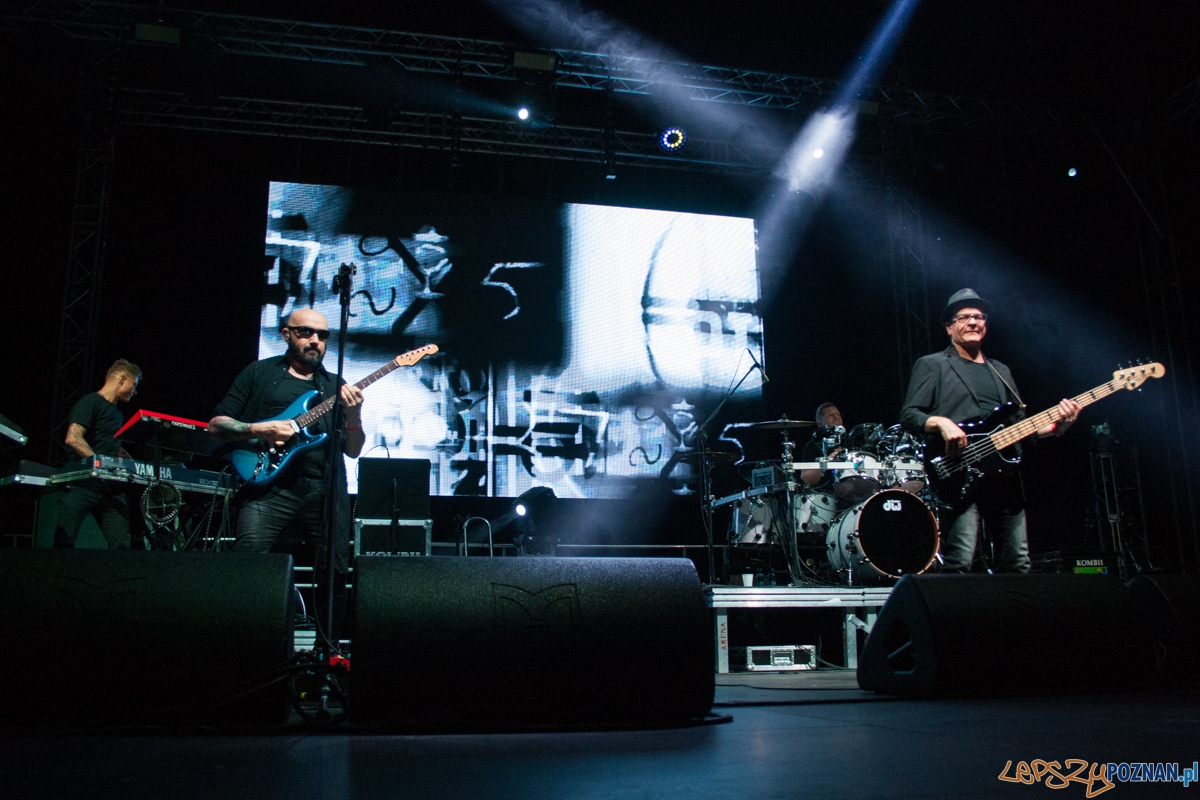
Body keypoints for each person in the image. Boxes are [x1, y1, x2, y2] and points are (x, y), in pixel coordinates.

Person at [208, 309, 365, 645]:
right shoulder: (260, 373)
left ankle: (327, 655)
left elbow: (353, 450)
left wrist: (354, 413)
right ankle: (248, 648)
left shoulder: (333, 385)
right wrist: (257, 428)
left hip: (324, 490)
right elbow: (216, 425)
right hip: (269, 487)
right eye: (307, 332)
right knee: (248, 563)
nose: (316, 341)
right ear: (286, 334)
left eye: (322, 336)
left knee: (334, 573)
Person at [900, 288, 1081, 573]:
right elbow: (910, 415)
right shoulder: (933, 365)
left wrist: (1061, 425)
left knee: (1018, 562)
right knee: (960, 559)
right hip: (960, 471)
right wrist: (943, 423)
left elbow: (1025, 428)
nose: (973, 322)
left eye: (979, 316)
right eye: (965, 317)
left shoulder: (1001, 370)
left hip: (1006, 475)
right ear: (949, 327)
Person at [54, 359, 142, 549]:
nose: (135, 391)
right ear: (122, 379)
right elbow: (73, 437)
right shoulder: (90, 401)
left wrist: (136, 466)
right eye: (133, 385)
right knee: (64, 543)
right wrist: (99, 464)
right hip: (83, 485)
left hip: (111, 489)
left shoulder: (118, 413)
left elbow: (111, 447)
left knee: (122, 545)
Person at [799, 402, 844, 489]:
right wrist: (827, 462)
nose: (836, 417)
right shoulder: (814, 445)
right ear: (819, 424)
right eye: (830, 415)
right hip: (825, 496)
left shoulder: (849, 442)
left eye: (838, 414)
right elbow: (805, 479)